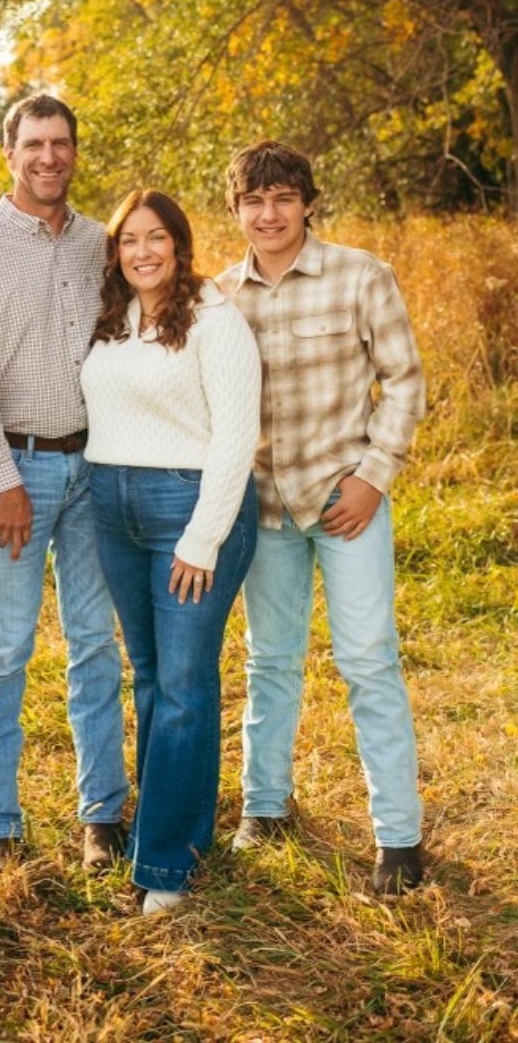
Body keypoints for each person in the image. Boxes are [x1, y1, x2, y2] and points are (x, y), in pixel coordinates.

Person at [216, 140, 427, 895]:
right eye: (253, 201)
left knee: (368, 658)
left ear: (308, 203)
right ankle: (265, 806)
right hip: (265, 506)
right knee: (269, 660)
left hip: (347, 501)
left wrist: (374, 478)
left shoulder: (361, 276)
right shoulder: (219, 298)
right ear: (236, 211)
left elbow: (405, 382)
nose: (269, 214)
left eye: (283, 199)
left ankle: (398, 838)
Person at [0, 94, 129, 871]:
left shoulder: (100, 242)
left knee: (95, 644)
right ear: (9, 153)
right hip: (17, 470)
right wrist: (3, 477)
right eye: (34, 144)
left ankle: (102, 816)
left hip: (99, 468)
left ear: (74, 150)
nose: (49, 157)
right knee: (7, 647)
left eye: (61, 143)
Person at [82, 190, 261, 914]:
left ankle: (164, 865)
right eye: (129, 240)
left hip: (189, 508)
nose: (142, 252)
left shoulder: (215, 318)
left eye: (156, 238)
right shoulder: (114, 317)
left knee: (184, 685)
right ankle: (176, 831)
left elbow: (237, 434)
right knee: (152, 676)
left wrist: (203, 536)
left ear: (180, 245)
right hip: (112, 507)